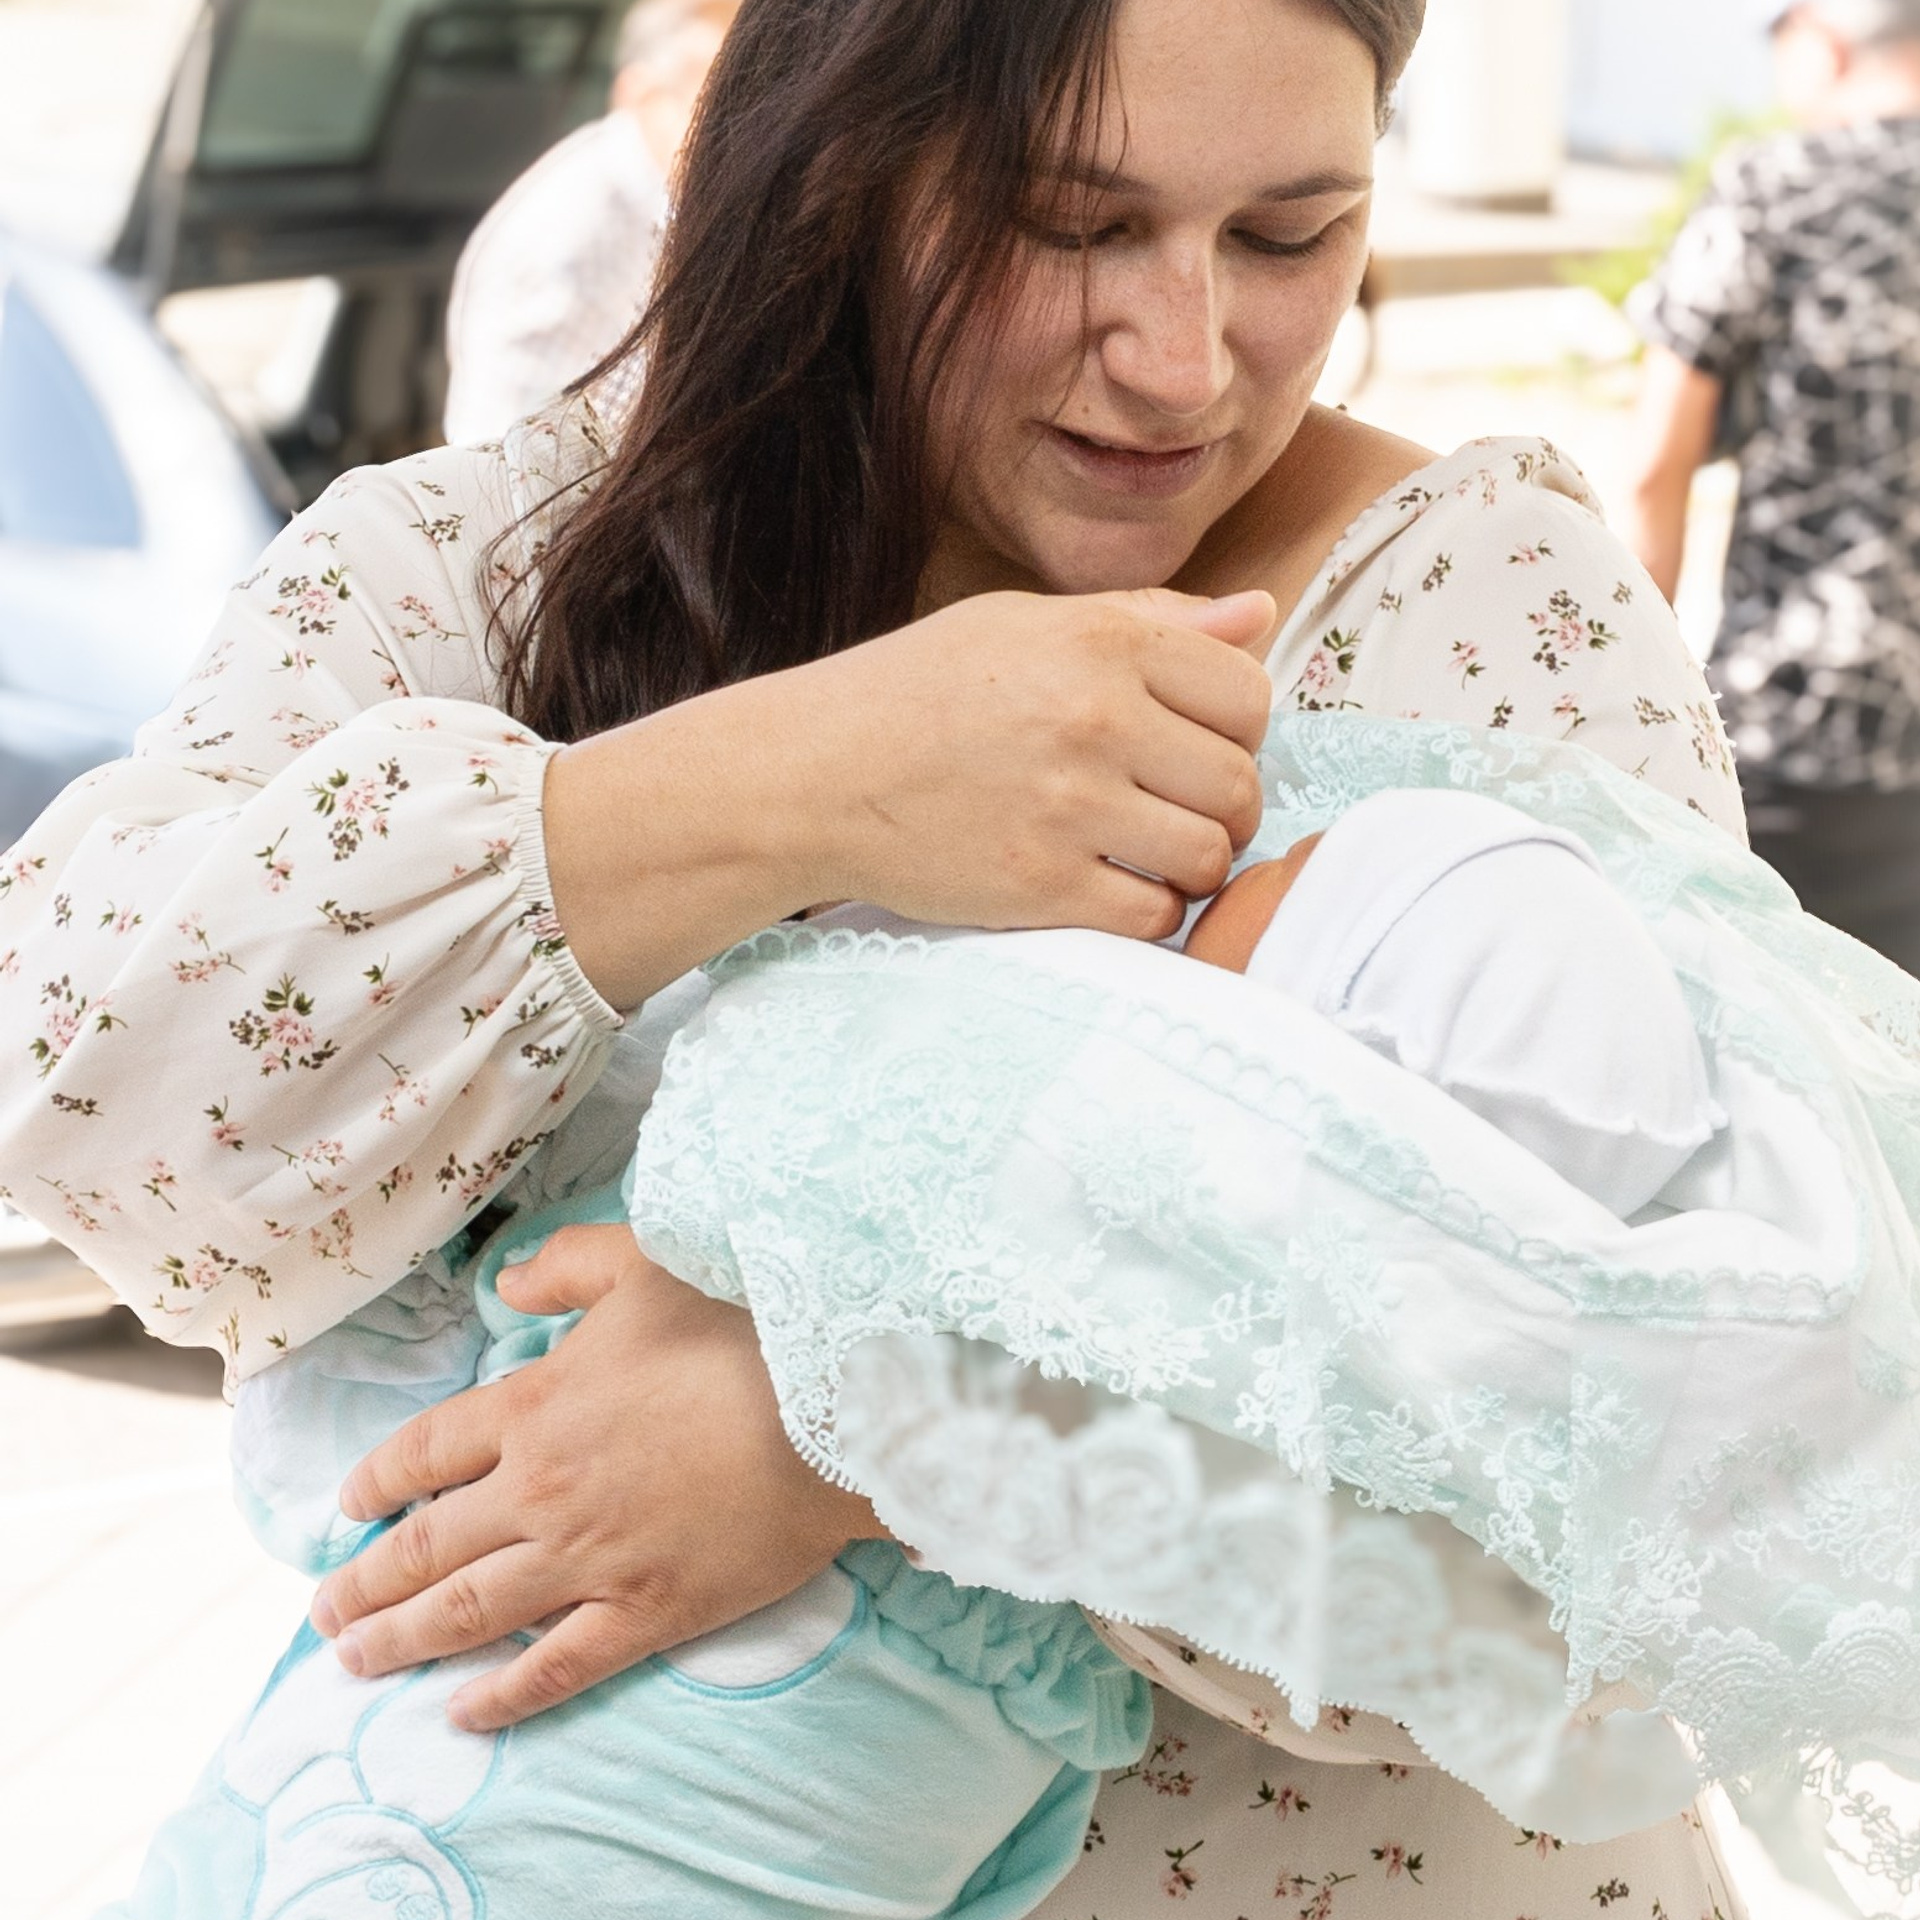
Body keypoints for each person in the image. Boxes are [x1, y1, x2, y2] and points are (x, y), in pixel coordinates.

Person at [0, 0, 1762, 1912]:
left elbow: (1709, 1485)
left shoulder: (1475, 604)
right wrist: (780, 785)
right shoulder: (485, 570)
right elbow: (87, 1097)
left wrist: (876, 1422)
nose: (1183, 360)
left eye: (1287, 235)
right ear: (825, 170)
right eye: (1072, 225)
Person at [1623, 0, 1920, 968]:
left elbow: (1657, 466)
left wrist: (1638, 706)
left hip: (1805, 721)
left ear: (1822, 45)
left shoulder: (1775, 186)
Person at [441, 0, 740, 444]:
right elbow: (520, 461)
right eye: (722, 103)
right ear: (644, 97)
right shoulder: (576, 236)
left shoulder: (659, 199)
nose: (748, 129)